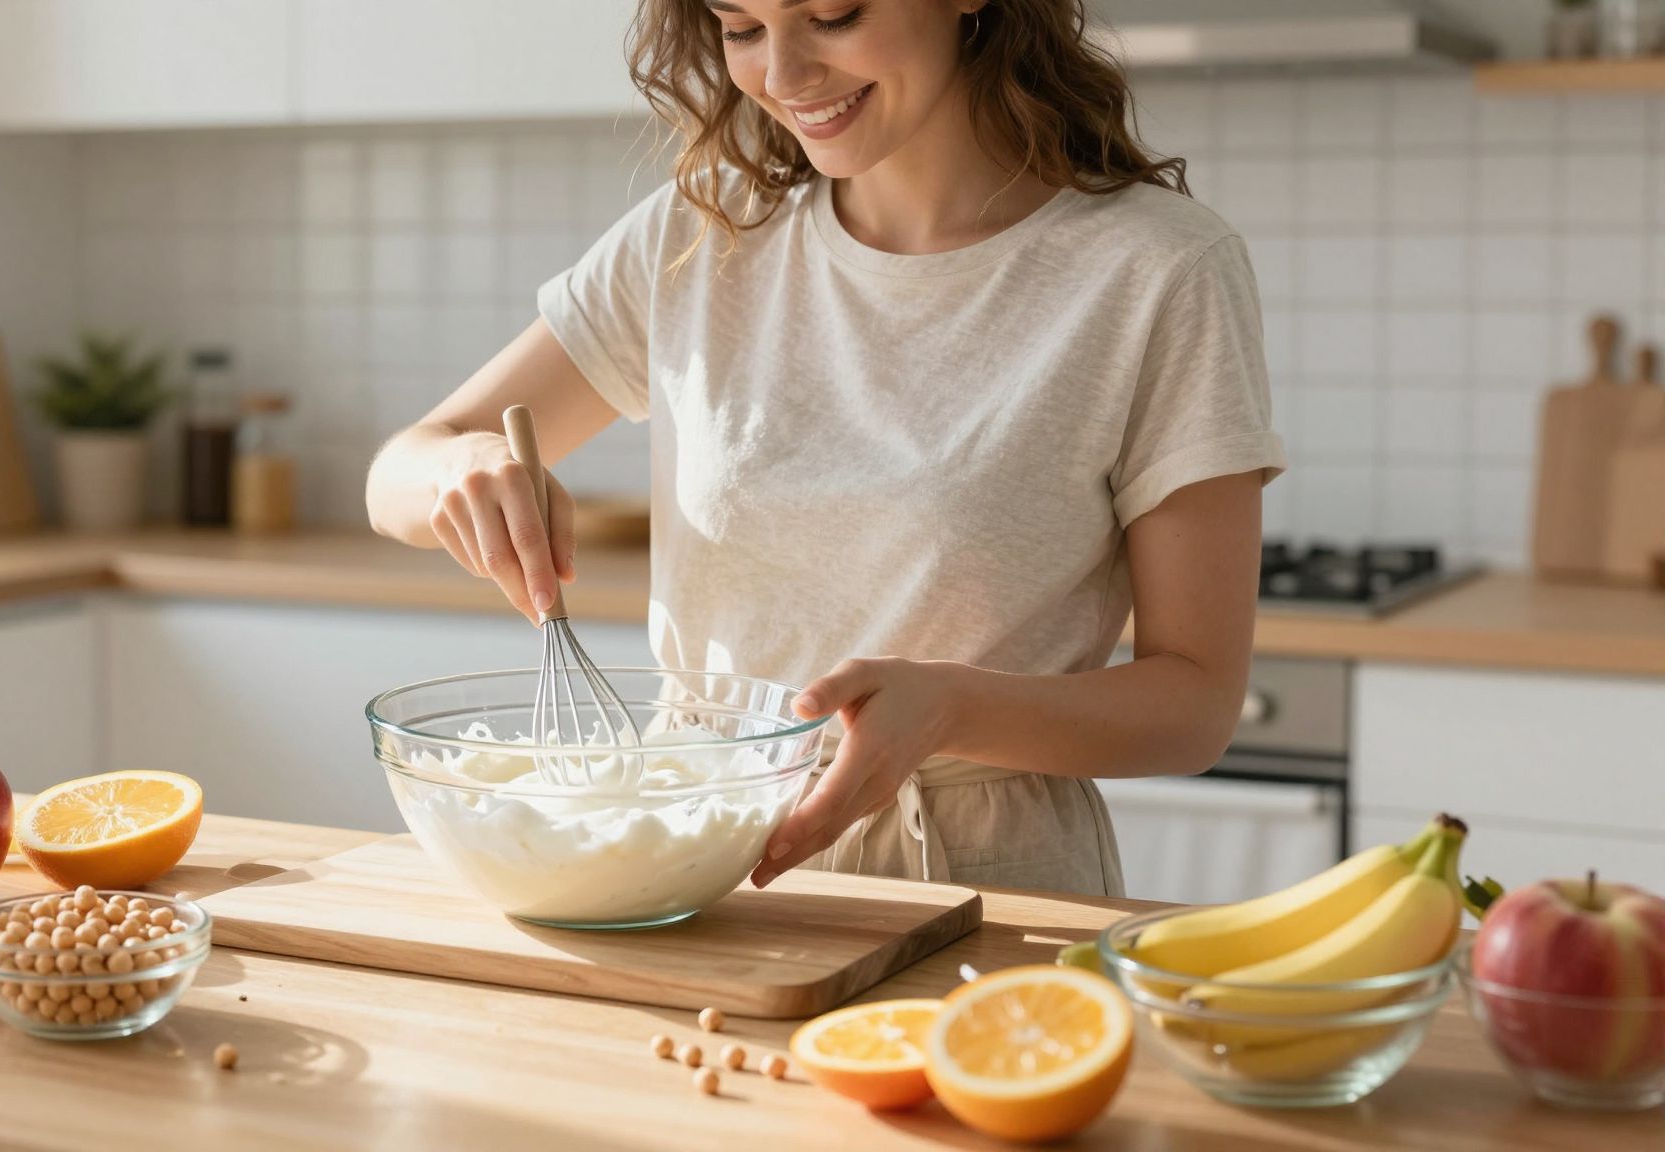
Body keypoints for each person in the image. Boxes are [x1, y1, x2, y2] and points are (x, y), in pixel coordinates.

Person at [366, 0, 1285, 897]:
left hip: (983, 886)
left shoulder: (1158, 269)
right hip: (691, 859)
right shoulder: (699, 234)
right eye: (741, 28)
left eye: (835, 17)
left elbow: (1195, 706)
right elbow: (401, 469)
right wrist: (460, 468)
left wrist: (953, 710)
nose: (784, 74)